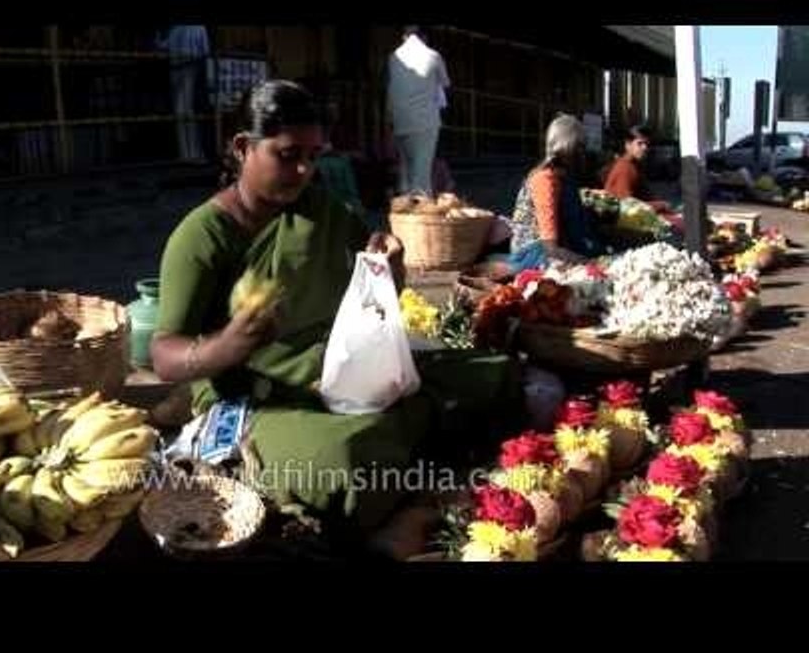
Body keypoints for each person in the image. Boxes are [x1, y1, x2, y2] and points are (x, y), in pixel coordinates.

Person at [150, 80, 517, 555]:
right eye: (287, 154)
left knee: (492, 374)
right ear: (243, 148)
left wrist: (390, 266)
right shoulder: (203, 235)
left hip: (336, 370)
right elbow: (163, 354)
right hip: (255, 396)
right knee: (348, 457)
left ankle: (407, 459)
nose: (304, 169)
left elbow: (368, 287)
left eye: (313, 154)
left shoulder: (320, 211)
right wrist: (227, 346)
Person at [504, 114, 603, 274]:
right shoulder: (545, 180)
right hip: (533, 252)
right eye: (579, 147)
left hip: (556, 244)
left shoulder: (565, 176)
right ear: (567, 147)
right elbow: (550, 247)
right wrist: (590, 263)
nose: (583, 154)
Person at [386, 27, 450, 196]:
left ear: (404, 37)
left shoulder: (394, 57)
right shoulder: (433, 55)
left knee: (405, 168)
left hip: (400, 120)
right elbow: (446, 82)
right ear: (425, 38)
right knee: (422, 171)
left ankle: (403, 206)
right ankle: (421, 211)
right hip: (425, 121)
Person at [155, 25, 214, 161]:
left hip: (177, 70)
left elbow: (161, 46)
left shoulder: (175, 29)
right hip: (192, 70)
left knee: (181, 112)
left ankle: (186, 154)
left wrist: (156, 35)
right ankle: (194, 153)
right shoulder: (199, 28)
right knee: (190, 111)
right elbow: (206, 53)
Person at [603, 125, 670, 212]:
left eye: (646, 144)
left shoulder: (634, 164)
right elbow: (627, 205)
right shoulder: (624, 168)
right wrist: (660, 205)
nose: (645, 148)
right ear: (628, 145)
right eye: (640, 143)